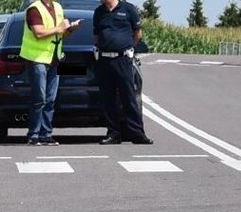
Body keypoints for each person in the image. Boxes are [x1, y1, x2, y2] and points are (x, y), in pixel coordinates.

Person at [19, 0, 80, 145]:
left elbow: (60, 34)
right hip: (37, 59)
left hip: (54, 59)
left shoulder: (57, 7)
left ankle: (46, 134)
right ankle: (33, 134)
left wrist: (70, 29)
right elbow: (38, 33)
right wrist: (59, 28)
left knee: (51, 99)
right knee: (39, 98)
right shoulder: (34, 9)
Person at [92, 0, 152, 144]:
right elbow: (96, 35)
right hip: (105, 60)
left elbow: (138, 33)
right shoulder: (99, 12)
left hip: (123, 59)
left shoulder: (128, 9)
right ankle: (113, 133)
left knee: (129, 97)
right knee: (108, 99)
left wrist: (129, 48)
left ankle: (137, 133)